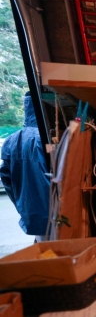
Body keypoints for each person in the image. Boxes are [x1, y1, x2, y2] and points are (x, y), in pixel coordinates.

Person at [0, 92, 50, 241]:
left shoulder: (11, 141)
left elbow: (7, 181)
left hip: (32, 213)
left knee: (46, 254)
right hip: (59, 213)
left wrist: (23, 206)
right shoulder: (48, 137)